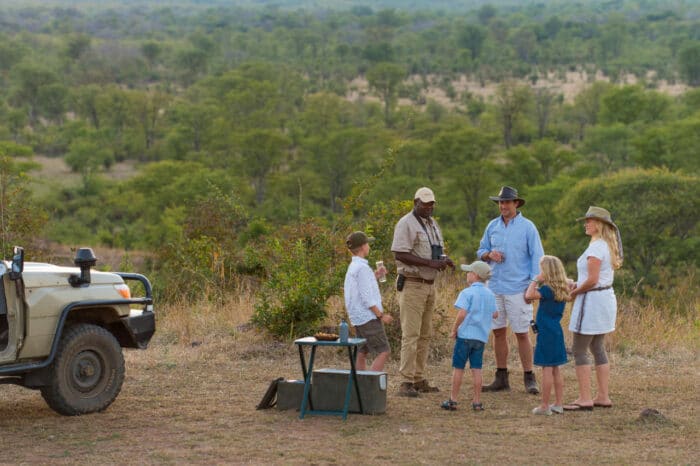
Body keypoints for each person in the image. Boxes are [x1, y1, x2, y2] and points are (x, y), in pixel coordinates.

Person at [477, 186, 544, 394]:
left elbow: (538, 258)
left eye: (506, 202)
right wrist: (489, 255)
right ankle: (501, 376)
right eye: (500, 202)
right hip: (495, 286)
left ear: (516, 203)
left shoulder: (528, 227)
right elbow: (480, 251)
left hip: (519, 288)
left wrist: (532, 287)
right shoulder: (492, 226)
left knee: (522, 333)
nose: (502, 206)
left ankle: (529, 376)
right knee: (497, 332)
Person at [391, 187, 455, 397]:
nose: (428, 207)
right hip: (412, 283)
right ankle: (405, 381)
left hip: (429, 284)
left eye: (431, 204)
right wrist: (429, 262)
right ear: (415, 202)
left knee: (425, 334)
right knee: (411, 334)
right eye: (424, 203)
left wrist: (443, 261)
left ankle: (418, 377)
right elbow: (399, 254)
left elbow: (435, 251)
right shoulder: (406, 223)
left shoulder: (432, 224)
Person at [564, 206, 623, 411]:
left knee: (579, 348)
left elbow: (592, 280)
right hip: (604, 298)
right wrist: (578, 285)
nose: (586, 223)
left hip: (592, 301)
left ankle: (585, 398)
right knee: (597, 347)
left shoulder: (597, 247)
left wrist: (573, 292)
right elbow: (592, 279)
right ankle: (603, 396)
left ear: (599, 224)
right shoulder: (605, 245)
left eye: (590, 220)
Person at [441, 261, 498, 412]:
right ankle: (477, 401)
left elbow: (462, 313)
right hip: (480, 337)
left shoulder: (467, 293)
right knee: (477, 369)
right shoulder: (490, 295)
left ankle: (453, 400)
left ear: (475, 275)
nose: (467, 274)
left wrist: (454, 329)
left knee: (458, 368)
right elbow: (495, 314)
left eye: (469, 272)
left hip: (465, 335)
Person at [525, 255, 571, 415]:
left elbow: (528, 295)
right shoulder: (562, 288)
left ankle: (544, 406)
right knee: (556, 368)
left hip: (545, 331)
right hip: (556, 331)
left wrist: (535, 280)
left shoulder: (546, 289)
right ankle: (558, 403)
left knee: (546, 368)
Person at [343, 231, 393, 372]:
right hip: (368, 317)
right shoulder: (362, 268)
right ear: (363, 246)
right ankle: (368, 384)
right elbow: (366, 298)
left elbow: (360, 288)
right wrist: (381, 315)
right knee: (384, 350)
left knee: (362, 351)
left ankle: (359, 383)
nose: (368, 247)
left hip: (358, 317)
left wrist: (375, 275)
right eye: (367, 244)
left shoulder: (354, 266)